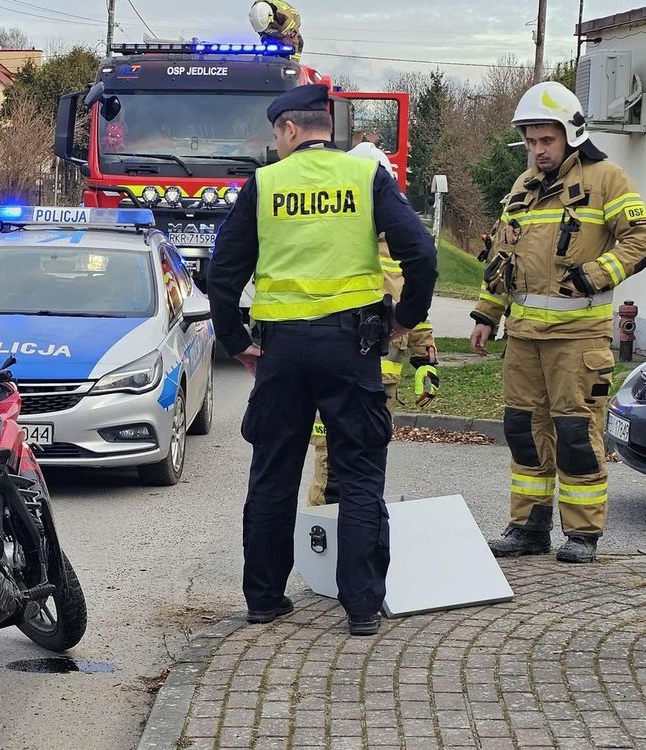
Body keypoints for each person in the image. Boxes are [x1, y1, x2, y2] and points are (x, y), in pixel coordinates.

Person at [208, 83, 437, 636]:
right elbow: (422, 253)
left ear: (288, 129)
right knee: (359, 473)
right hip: (351, 346)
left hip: (282, 351)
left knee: (273, 474)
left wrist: (237, 342)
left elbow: (223, 272)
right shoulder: (366, 176)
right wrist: (405, 317)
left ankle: (264, 599)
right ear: (324, 128)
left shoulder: (263, 183)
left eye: (275, 135)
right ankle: (360, 608)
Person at [470, 81, 646, 563]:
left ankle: (583, 534)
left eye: (545, 140)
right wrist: (487, 314)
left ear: (571, 135)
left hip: (578, 339)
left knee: (575, 433)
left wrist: (596, 274)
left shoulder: (607, 179)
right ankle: (528, 528)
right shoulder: (522, 188)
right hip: (524, 339)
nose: (536, 150)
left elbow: (641, 237)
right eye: (530, 140)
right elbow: (501, 257)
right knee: (523, 430)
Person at [308, 142, 439, 506]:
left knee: (369, 463)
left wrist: (426, 361)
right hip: (335, 375)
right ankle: (322, 549)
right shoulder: (330, 241)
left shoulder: (398, 245)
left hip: (382, 384)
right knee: (330, 464)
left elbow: (415, 303)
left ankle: (358, 543)